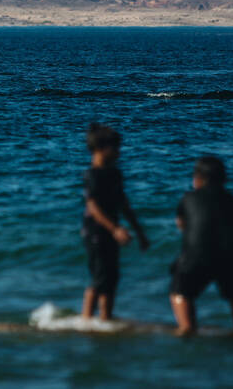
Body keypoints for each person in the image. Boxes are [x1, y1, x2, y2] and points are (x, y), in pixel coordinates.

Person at [169, 156, 233, 336]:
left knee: (180, 291)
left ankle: (186, 327)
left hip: (196, 257)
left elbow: (181, 225)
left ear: (197, 179)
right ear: (224, 179)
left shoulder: (188, 198)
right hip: (232, 257)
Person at [80, 123, 150, 321]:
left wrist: (140, 232)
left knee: (112, 277)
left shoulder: (115, 173)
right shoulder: (92, 175)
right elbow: (93, 207)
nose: (119, 152)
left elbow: (123, 204)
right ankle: (86, 319)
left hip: (112, 231)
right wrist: (115, 229)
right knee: (99, 277)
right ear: (101, 148)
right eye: (116, 148)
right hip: (95, 231)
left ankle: (105, 318)